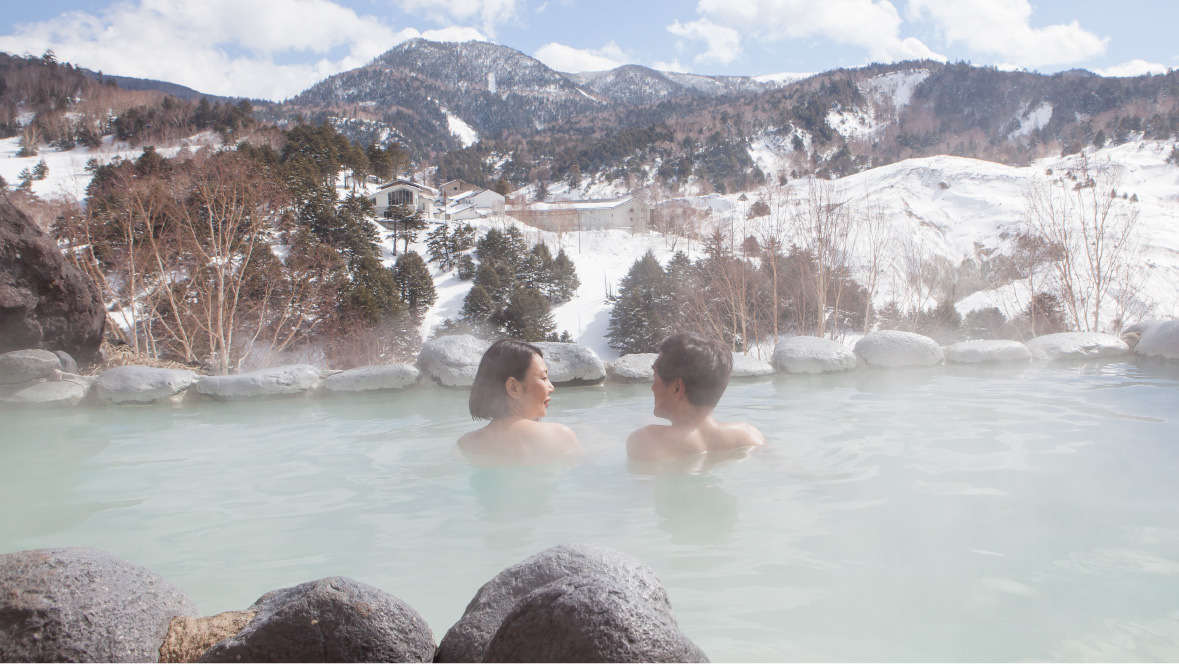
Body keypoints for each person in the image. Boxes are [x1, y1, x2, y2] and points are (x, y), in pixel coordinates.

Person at [627, 332, 765, 462]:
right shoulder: (749, 436)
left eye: (655, 377)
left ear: (677, 387)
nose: (652, 387)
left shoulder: (646, 441)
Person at [458, 338, 580, 461]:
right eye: (544, 378)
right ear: (514, 388)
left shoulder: (465, 444)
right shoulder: (559, 436)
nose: (551, 387)